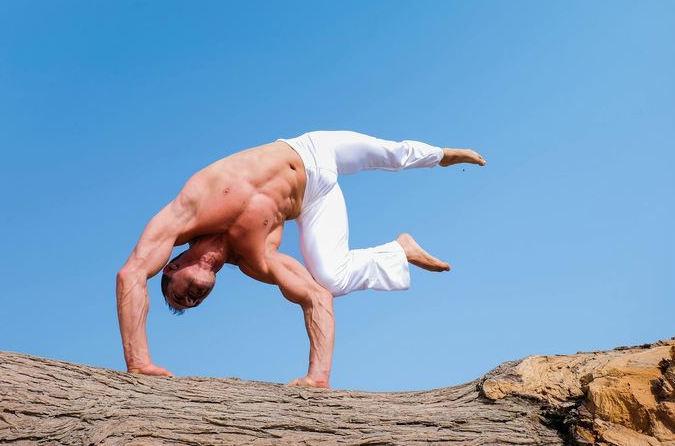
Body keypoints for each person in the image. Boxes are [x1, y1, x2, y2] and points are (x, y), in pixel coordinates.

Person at [116, 131, 485, 388]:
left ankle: (443, 155)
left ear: (171, 267)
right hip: (314, 199)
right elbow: (315, 296)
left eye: (178, 295)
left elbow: (131, 273)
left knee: (389, 153)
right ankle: (398, 251)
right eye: (192, 304)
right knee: (331, 280)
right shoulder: (256, 258)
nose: (191, 301)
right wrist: (318, 377)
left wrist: (137, 362)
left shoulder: (189, 211)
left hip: (311, 150)